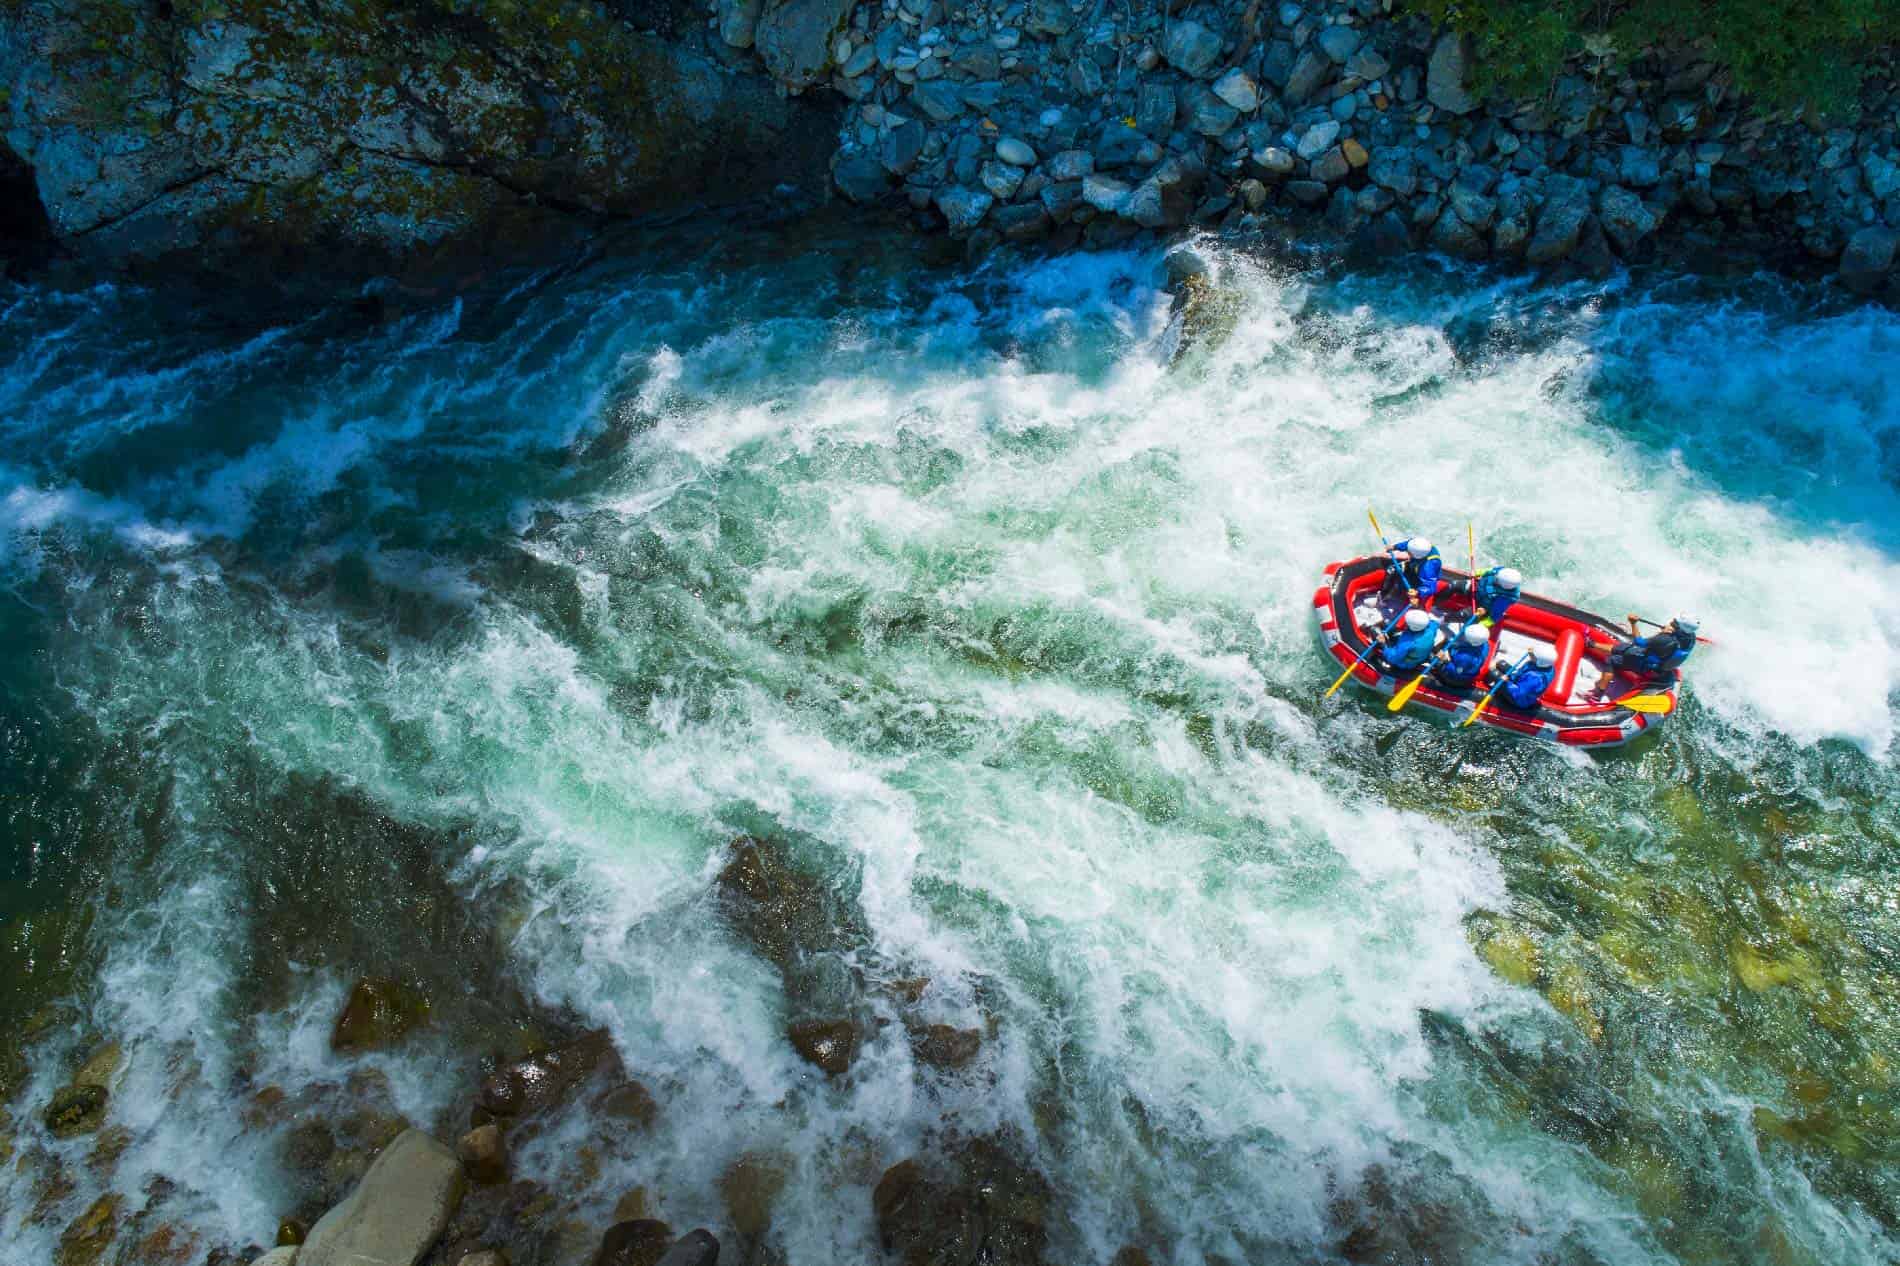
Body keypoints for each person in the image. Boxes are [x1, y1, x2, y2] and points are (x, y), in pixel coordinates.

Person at [1606, 615, 1698, 679]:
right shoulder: (1691, 637)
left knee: (1612, 659)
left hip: (1648, 667)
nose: (1671, 622)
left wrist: (1633, 623)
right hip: (1662, 663)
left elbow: (1639, 642)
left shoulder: (1665, 639)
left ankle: (1598, 693)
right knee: (1622, 647)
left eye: (1674, 622)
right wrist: (1668, 633)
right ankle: (1592, 644)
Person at [1376, 607, 1442, 673]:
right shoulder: (1431, 627)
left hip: (1406, 664)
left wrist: (1383, 644)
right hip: (1421, 656)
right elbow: (1434, 622)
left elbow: (1393, 658)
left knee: (1384, 645)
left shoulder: (1408, 641)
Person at [1490, 645, 1556, 710]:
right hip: (1520, 681)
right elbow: (1520, 674)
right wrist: (1532, 652)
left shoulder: (1536, 678)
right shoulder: (1545, 665)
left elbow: (1519, 694)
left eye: (1533, 655)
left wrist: (1507, 682)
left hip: (1518, 698)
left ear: (1540, 662)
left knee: (1493, 674)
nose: (1530, 655)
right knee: (1500, 663)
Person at [1429, 622, 1493, 688]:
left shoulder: (1464, 658)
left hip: (1457, 678)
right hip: (1464, 662)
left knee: (1431, 656)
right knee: (1448, 644)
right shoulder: (1485, 644)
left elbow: (1456, 672)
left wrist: (1445, 660)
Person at [1383, 537, 1443, 607]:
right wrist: (1394, 547)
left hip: (1421, 578)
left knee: (1403, 586)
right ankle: (1385, 593)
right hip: (1415, 565)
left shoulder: (1428, 567)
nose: (1407, 553)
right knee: (1392, 570)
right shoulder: (1419, 545)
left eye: (1409, 553)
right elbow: (1407, 545)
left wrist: (1418, 592)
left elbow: (1430, 587)